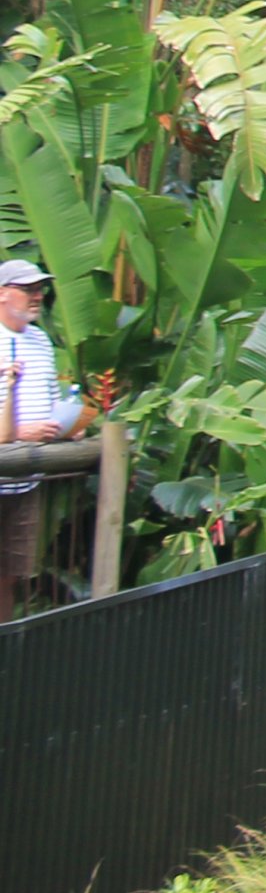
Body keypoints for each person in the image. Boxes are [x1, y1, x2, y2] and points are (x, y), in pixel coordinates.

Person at [0, 258, 85, 622]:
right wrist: (20, 434)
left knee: (9, 576)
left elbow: (49, 398)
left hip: (26, 483)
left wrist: (67, 425)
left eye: (40, 289)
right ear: (3, 294)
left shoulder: (39, 341)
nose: (37, 296)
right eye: (28, 289)